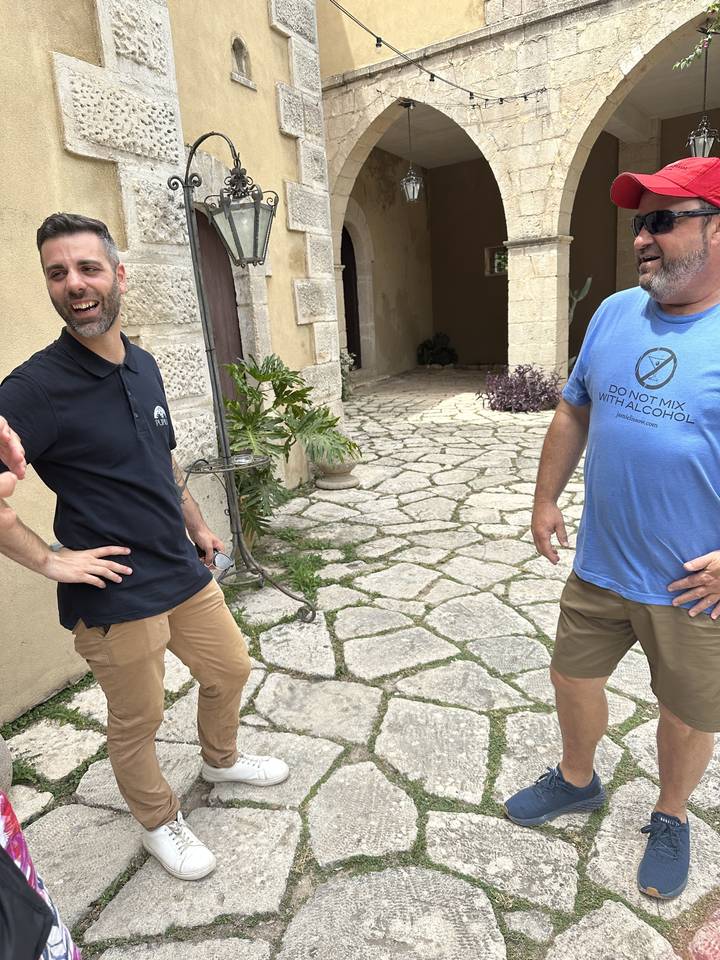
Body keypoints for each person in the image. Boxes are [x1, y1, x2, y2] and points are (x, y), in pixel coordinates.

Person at [0, 213, 289, 881]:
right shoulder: (33, 388)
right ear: (49, 285)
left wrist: (195, 522)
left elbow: (160, 459)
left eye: (88, 268)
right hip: (114, 588)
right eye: (57, 272)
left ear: (118, 276)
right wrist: (49, 559)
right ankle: (159, 820)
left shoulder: (144, 364)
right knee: (140, 719)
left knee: (230, 669)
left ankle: (219, 761)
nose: (75, 284)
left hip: (179, 566)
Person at [504, 156, 720, 901]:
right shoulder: (613, 313)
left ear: (716, 231)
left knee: (686, 713)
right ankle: (576, 779)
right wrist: (545, 498)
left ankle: (669, 813)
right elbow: (574, 406)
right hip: (601, 562)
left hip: (694, 584)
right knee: (571, 677)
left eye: (663, 219)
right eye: (639, 223)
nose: (642, 239)